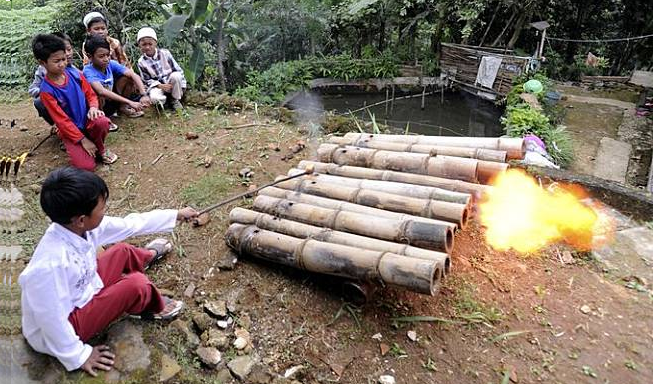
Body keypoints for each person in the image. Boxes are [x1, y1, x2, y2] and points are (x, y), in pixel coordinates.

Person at [19, 167, 199, 376]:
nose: (105, 213)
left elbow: (131, 224)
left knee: (122, 250)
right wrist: (79, 355)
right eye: (101, 209)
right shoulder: (49, 266)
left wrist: (175, 215)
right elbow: (50, 320)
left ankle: (146, 256)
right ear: (80, 219)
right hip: (67, 325)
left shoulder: (79, 227)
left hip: (82, 289)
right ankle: (149, 305)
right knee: (136, 284)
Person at [32, 34, 118, 171]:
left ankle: (100, 148)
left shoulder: (75, 74)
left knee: (102, 121)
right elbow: (62, 121)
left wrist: (93, 108)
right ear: (42, 62)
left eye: (64, 59)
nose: (62, 64)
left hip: (87, 120)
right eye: (56, 61)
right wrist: (83, 140)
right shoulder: (46, 91)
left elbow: (90, 94)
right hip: (70, 131)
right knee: (86, 166)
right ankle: (85, 144)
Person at [83, 35, 151, 118]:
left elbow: (133, 75)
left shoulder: (110, 64)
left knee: (128, 78)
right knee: (98, 94)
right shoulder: (88, 71)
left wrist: (144, 95)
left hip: (112, 99)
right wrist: (130, 102)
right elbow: (101, 91)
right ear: (90, 57)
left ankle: (123, 107)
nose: (106, 59)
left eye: (108, 55)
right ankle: (102, 117)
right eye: (101, 56)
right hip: (100, 104)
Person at [29, 32, 77, 127]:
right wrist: (51, 92)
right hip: (54, 101)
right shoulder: (43, 70)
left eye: (69, 49)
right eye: (64, 51)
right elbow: (32, 89)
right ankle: (58, 124)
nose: (67, 54)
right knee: (39, 102)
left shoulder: (74, 70)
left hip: (71, 102)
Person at [136, 27, 186, 111]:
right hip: (158, 86)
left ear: (155, 43)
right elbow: (146, 80)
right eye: (144, 45)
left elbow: (177, 70)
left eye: (150, 44)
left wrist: (180, 85)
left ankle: (175, 100)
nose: (147, 47)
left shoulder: (165, 53)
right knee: (155, 98)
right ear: (139, 45)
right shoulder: (141, 62)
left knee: (176, 76)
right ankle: (165, 102)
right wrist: (160, 85)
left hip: (171, 83)